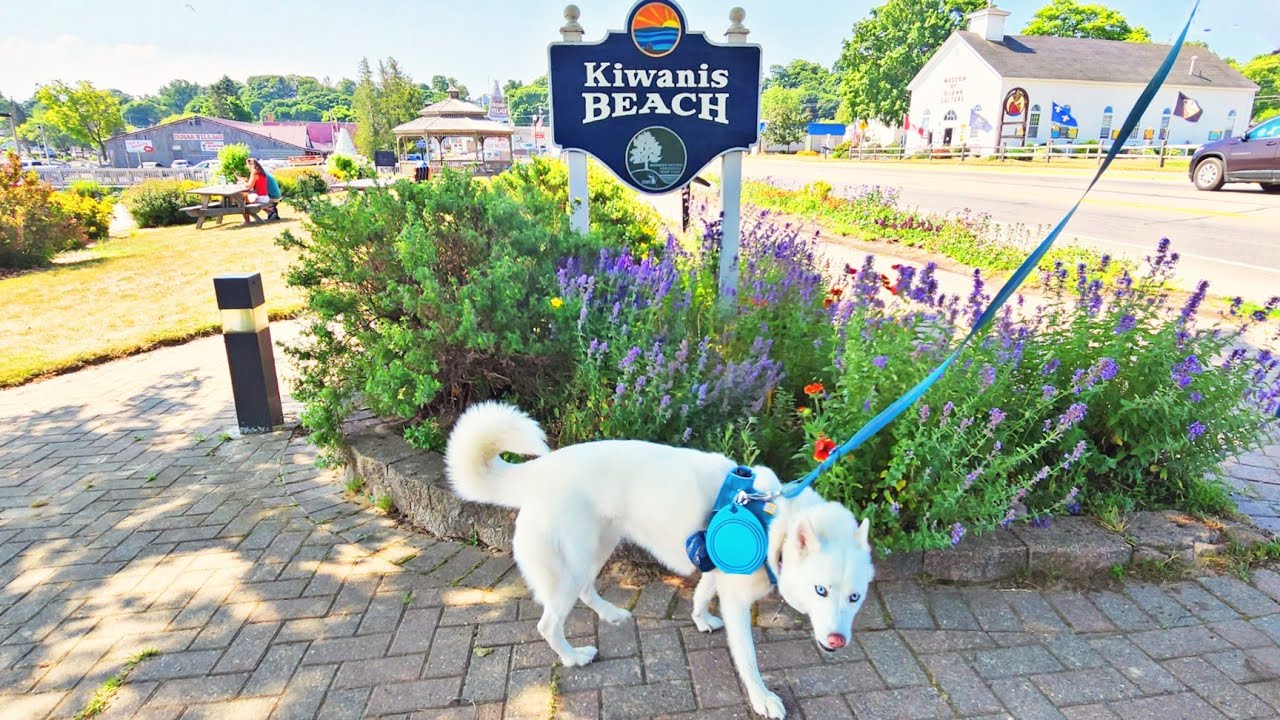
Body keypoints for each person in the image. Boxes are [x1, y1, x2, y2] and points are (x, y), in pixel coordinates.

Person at [241, 159, 282, 223]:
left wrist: (242, 182)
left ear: (251, 165)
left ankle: (247, 221)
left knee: (242, 200)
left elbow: (249, 186)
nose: (247, 167)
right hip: (267, 197)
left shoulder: (254, 172)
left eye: (247, 165)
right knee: (248, 198)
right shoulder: (262, 172)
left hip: (265, 197)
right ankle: (270, 211)